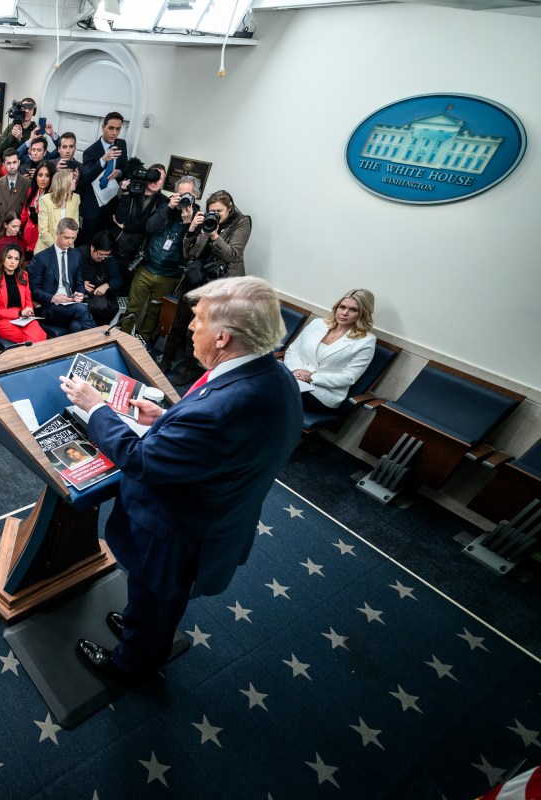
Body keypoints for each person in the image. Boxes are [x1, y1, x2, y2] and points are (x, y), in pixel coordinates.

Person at [60, 276, 302, 685]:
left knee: (156, 597)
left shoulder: (224, 408)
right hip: (210, 519)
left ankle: (130, 666)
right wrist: (166, 420)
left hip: (175, 532)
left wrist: (96, 407)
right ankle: (144, 635)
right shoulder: (274, 376)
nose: (190, 326)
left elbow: (141, 460)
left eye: (200, 319)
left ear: (223, 337)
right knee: (156, 600)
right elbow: (215, 441)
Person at [162, 189, 252, 383]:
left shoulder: (242, 222)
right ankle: (165, 360)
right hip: (196, 278)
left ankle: (189, 370)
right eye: (212, 211)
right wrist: (192, 229)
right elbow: (189, 253)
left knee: (197, 328)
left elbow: (232, 255)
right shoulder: (206, 219)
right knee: (179, 322)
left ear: (230, 207)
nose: (215, 215)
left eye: (219, 211)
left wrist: (214, 235)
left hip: (219, 284)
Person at [123, 176, 202, 345]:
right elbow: (150, 227)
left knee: (154, 311)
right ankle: (121, 337)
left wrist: (188, 224)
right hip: (147, 267)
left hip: (169, 274)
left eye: (187, 194)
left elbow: (190, 251)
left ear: (196, 195)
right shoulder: (165, 206)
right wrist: (168, 208)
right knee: (133, 306)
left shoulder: (198, 218)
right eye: (179, 194)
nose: (183, 198)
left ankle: (142, 342)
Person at [283, 289, 377, 413]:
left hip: (321, 393)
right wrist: (297, 370)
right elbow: (293, 350)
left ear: (363, 314)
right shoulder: (317, 324)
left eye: (353, 310)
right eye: (342, 307)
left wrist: (312, 378)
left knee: (276, 394)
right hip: (294, 378)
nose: (344, 313)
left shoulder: (366, 341)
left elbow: (349, 377)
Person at [28, 217, 97, 333]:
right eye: (66, 238)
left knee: (76, 326)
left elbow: (80, 282)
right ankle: (100, 341)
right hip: (51, 307)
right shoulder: (41, 258)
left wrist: (80, 293)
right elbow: (34, 289)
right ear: (57, 234)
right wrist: (53, 298)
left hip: (71, 302)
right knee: (82, 309)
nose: (70, 242)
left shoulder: (76, 255)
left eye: (73, 238)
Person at [77, 111, 128, 240]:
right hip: (92, 208)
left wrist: (120, 172)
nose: (114, 133)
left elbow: (125, 167)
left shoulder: (121, 144)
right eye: (111, 128)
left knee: (104, 242)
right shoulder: (90, 151)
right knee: (86, 242)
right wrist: (103, 160)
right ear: (103, 127)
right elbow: (86, 176)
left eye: (118, 129)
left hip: (111, 206)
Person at [0, 243, 46, 344]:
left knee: (34, 327)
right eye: (9, 257)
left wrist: (28, 310)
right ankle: (41, 358)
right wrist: (19, 313)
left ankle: (34, 358)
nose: (13, 262)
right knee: (35, 336)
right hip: (1, 319)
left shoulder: (23, 276)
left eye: (16, 259)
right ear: (3, 258)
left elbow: (27, 299)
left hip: (23, 316)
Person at [79, 231, 127, 327]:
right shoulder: (79, 253)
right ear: (92, 248)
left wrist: (107, 285)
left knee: (113, 308)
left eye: (106, 255)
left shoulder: (109, 259)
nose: (103, 258)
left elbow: (118, 279)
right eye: (100, 254)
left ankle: (97, 329)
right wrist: (81, 283)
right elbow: (68, 275)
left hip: (99, 297)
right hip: (81, 294)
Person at [37, 167, 81, 252]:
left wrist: (67, 243)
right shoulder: (45, 200)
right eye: (73, 179)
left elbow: (76, 226)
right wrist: (57, 248)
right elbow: (43, 231)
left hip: (68, 248)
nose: (75, 181)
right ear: (65, 182)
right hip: (47, 249)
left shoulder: (76, 198)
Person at [0, 150, 31, 236]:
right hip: (2, 232)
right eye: (8, 163)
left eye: (14, 162)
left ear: (19, 162)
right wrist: (2, 230)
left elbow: (29, 211)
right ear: (4, 165)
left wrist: (18, 229)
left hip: (20, 233)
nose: (12, 166)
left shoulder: (28, 183)